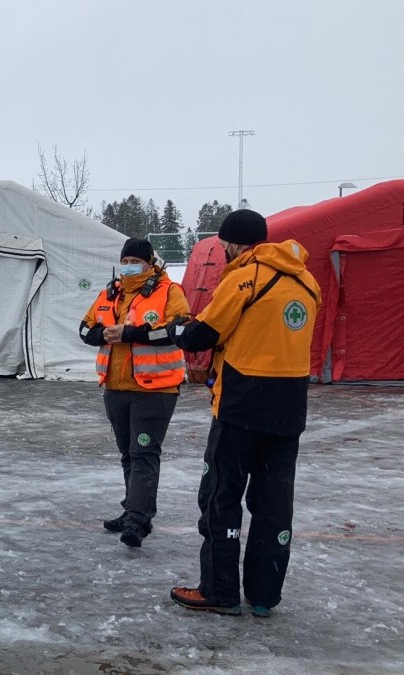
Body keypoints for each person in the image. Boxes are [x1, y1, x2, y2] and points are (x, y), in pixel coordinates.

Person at [166, 210, 321, 617]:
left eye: (224, 245)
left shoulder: (244, 278)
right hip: (290, 407)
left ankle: (219, 591)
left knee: (221, 497)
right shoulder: (307, 281)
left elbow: (204, 333)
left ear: (233, 243)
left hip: (241, 405)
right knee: (274, 505)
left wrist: (178, 329)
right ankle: (264, 595)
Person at [80, 238, 189, 548]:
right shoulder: (111, 293)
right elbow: (85, 329)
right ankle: (133, 509)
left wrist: (130, 333)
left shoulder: (169, 291)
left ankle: (137, 521)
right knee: (128, 453)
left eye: (135, 261)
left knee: (143, 453)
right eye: (125, 261)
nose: (129, 266)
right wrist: (103, 334)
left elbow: (178, 330)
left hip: (154, 389)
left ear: (149, 263)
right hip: (116, 388)